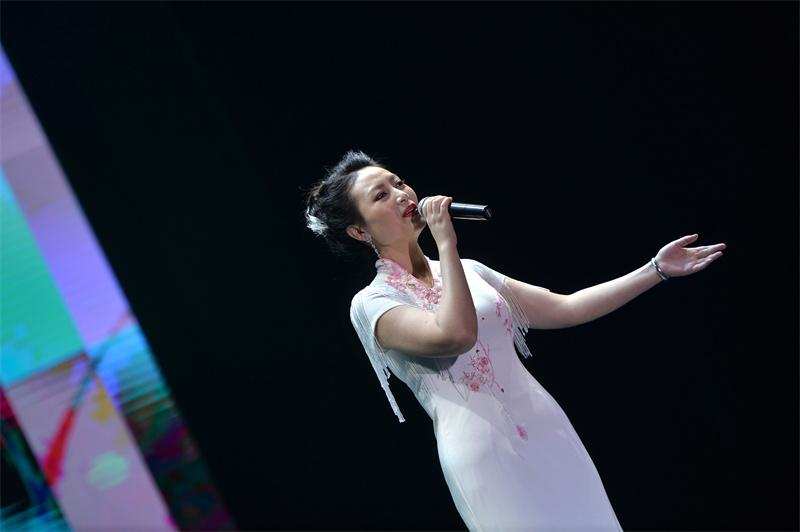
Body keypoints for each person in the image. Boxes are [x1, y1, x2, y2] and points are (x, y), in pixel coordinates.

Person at [302, 150, 724, 531]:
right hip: (486, 455)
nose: (400, 195)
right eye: (381, 195)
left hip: (547, 430)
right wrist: (446, 243)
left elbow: (566, 307)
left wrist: (655, 270)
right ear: (359, 232)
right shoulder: (372, 304)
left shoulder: (471, 270)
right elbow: (456, 335)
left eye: (398, 183)